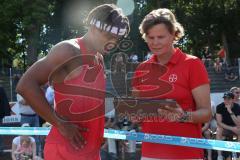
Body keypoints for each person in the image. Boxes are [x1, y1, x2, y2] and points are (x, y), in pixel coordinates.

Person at [16, 4, 130, 160]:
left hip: (89, 151)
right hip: (65, 151)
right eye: (109, 36)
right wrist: (61, 124)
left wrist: (98, 131)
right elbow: (25, 85)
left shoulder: (99, 58)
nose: (113, 43)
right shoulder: (69, 50)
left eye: (117, 39)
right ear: (93, 27)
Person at [131, 8, 211, 159]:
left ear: (174, 35)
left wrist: (183, 116)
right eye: (150, 37)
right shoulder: (141, 69)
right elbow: (135, 111)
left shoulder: (192, 64)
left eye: (161, 37)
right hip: (150, 153)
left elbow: (206, 113)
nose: (155, 42)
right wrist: (134, 114)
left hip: (186, 153)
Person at [216, 91, 240, 160]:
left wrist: (230, 111)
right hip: (224, 127)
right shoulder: (219, 107)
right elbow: (219, 122)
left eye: (228, 99)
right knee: (219, 130)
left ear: (233, 99)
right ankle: (219, 155)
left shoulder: (237, 107)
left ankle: (238, 152)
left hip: (235, 126)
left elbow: (238, 123)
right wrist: (231, 128)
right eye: (225, 99)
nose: (226, 100)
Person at [0, 86, 11, 155]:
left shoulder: (1, 89)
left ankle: (0, 149)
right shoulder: (1, 89)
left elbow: (4, 101)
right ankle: (1, 149)